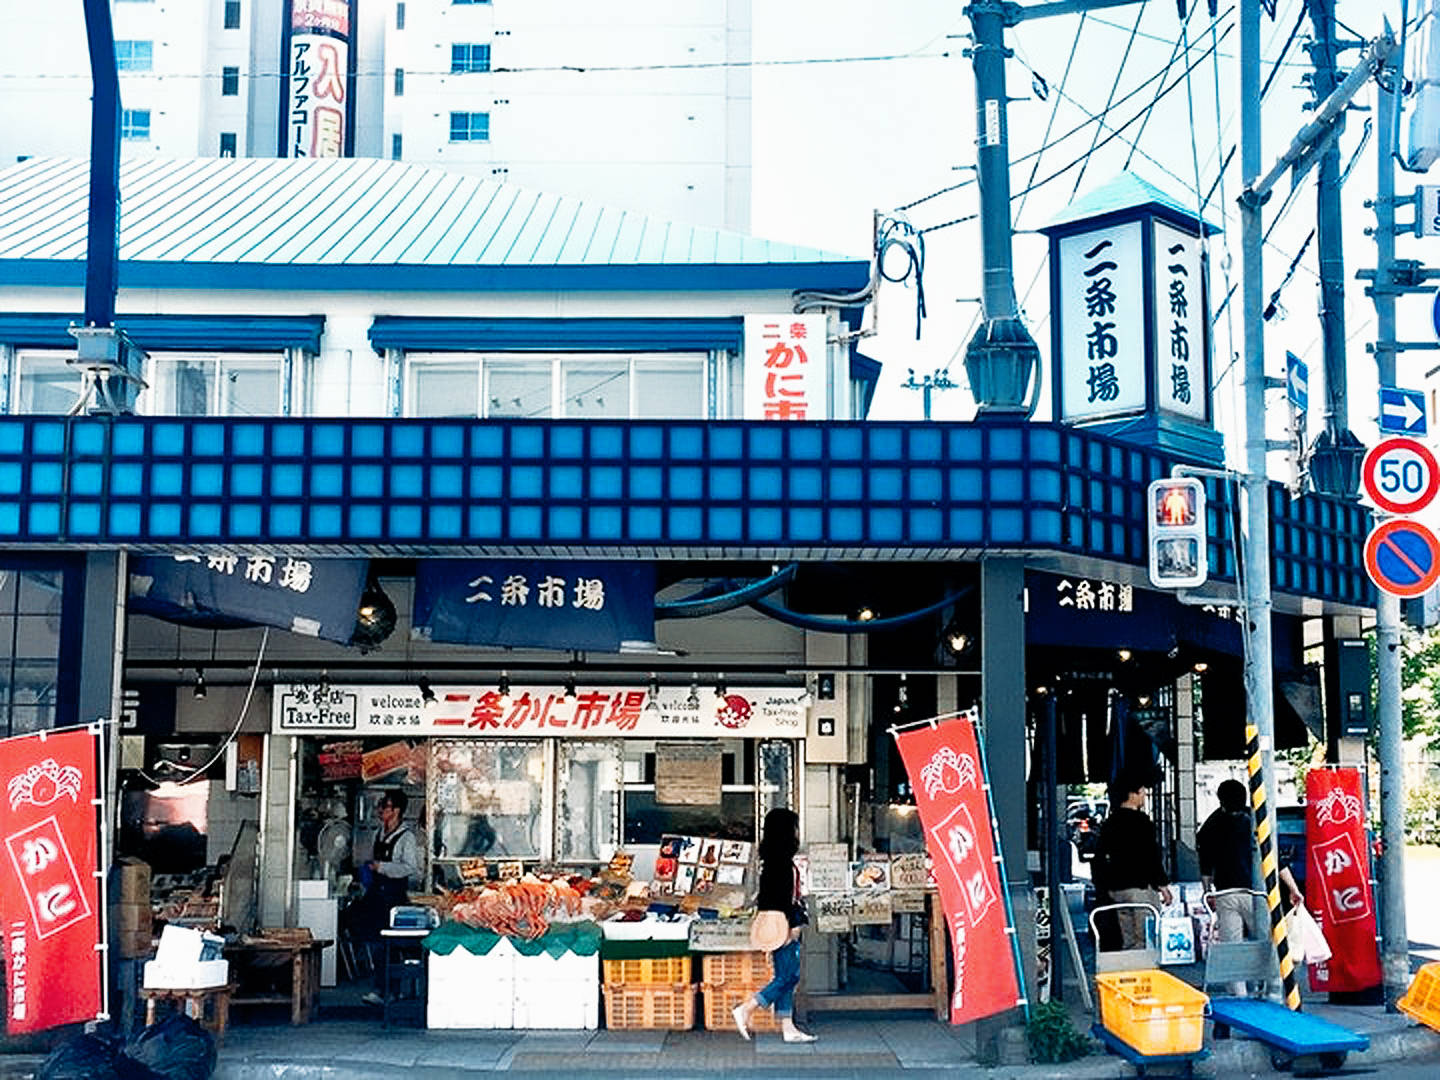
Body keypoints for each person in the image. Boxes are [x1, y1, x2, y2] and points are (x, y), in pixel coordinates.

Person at [731, 808, 816, 1044]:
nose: (798, 832)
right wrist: (793, 925)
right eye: (794, 827)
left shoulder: (769, 862)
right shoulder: (781, 863)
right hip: (784, 925)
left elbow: (768, 898)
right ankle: (747, 1008)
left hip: (775, 923)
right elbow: (781, 899)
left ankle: (788, 1028)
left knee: (785, 975)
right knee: (789, 976)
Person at [341, 791, 420, 1006]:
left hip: (393, 898)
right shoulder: (379, 834)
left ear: (397, 811)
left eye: (385, 807)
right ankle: (382, 988)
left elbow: (411, 868)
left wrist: (382, 867)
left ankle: (390, 990)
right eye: (380, 807)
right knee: (375, 941)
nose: (380, 811)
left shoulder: (406, 838)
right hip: (376, 895)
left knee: (391, 945)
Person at [1093, 775, 1173, 951]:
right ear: (1132, 794)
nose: (1144, 795)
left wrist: (1103, 886)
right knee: (1145, 940)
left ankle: (1129, 970)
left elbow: (1099, 858)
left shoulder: (1109, 823)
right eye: (1143, 791)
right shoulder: (1142, 822)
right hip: (1140, 889)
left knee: (1128, 940)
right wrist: (1163, 885)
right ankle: (1144, 973)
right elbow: (1151, 856)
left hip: (1117, 890)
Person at [1198, 779, 1259, 944]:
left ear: (1220, 799)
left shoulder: (1211, 825)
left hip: (1225, 892)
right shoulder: (1255, 821)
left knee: (1232, 945)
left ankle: (1238, 968)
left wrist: (1207, 891)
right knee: (1266, 940)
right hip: (1255, 891)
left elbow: (1205, 864)